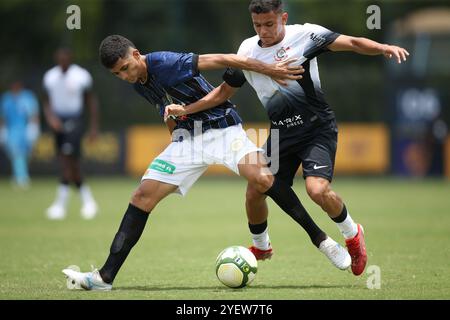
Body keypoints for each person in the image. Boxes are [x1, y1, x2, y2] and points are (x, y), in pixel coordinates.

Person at [62, 34, 352, 290]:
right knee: (141, 197)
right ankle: (104, 277)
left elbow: (225, 59)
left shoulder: (165, 62)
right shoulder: (138, 82)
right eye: (117, 74)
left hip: (223, 130)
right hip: (187, 142)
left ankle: (322, 241)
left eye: (125, 67)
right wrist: (175, 139)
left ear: (136, 54)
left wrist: (270, 69)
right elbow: (169, 112)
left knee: (262, 179)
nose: (124, 76)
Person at [166, 0, 410, 276]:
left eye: (269, 24)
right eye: (257, 25)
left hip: (316, 129)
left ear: (283, 17)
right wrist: (185, 109)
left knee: (317, 190)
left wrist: (383, 48)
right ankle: (262, 247)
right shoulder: (247, 49)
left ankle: (352, 234)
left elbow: (352, 42)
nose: (263, 31)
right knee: (254, 191)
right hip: (282, 133)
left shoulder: (305, 36)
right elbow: (223, 92)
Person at [43, 48, 99, 220]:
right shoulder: (50, 77)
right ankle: (88, 201)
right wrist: (51, 118)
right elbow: (46, 101)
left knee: (67, 160)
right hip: (57, 123)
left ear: (70, 58)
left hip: (75, 121)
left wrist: (93, 127)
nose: (63, 61)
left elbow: (91, 101)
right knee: (70, 163)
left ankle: (60, 205)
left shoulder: (81, 75)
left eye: (65, 58)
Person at [0, 80, 40, 189]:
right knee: (16, 153)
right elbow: (3, 116)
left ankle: (20, 173)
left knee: (26, 154)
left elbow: (34, 114)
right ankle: (21, 177)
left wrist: (33, 128)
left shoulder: (28, 97)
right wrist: (3, 130)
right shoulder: (6, 99)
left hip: (25, 129)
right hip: (12, 130)